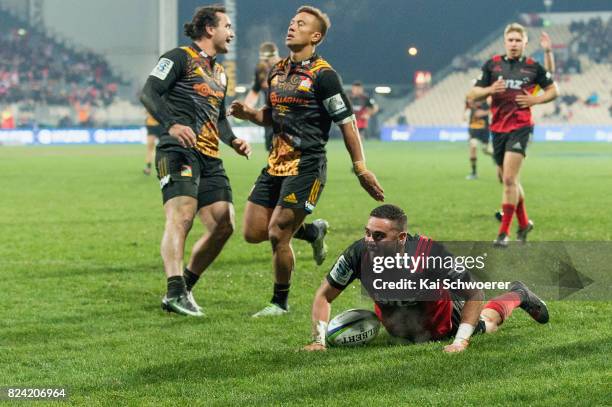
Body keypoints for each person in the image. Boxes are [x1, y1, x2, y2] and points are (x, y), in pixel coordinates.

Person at [229, 5, 384, 317]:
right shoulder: (276, 71)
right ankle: (312, 232)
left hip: (307, 165)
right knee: (251, 232)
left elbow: (347, 123)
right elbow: (271, 117)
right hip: (275, 163)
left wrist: (361, 168)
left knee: (277, 233)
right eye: (291, 22)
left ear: (315, 36)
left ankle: (279, 303)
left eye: (300, 24)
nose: (292, 27)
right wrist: (250, 115)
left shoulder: (324, 76)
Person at [303, 204, 549, 352]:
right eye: (367, 233)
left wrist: (461, 341)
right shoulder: (358, 254)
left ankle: (518, 293)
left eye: (378, 236)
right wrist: (318, 341)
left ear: (401, 238)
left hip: (443, 322)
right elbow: (324, 295)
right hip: (404, 329)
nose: (369, 240)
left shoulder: (429, 253)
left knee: (488, 323)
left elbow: (474, 293)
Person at [140, 4, 251, 316]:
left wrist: (233, 140)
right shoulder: (178, 57)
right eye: (227, 26)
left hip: (209, 156)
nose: (232, 32)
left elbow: (219, 117)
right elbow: (149, 92)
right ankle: (174, 291)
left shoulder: (219, 72)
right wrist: (173, 124)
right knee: (182, 217)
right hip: (177, 150)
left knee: (224, 223)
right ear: (209, 29)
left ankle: (184, 288)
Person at [467, 23, 558, 247]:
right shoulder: (492, 65)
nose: (514, 44)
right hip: (497, 129)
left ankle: (503, 233)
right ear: (505, 42)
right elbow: (473, 93)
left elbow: (553, 88)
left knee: (509, 179)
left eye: (518, 40)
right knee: (508, 180)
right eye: (511, 40)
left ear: (525, 43)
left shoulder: (532, 67)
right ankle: (524, 222)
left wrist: (535, 100)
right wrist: (490, 90)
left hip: (520, 127)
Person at [243, 42, 282, 152]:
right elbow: (255, 91)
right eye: (263, 60)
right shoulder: (261, 70)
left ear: (275, 56)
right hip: (269, 117)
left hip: (286, 117)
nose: (265, 63)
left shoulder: (287, 68)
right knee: (271, 152)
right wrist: (245, 108)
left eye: (267, 60)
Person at [464, 97, 492, 180]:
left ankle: (497, 157)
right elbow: (466, 119)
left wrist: (485, 112)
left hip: (484, 131)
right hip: (474, 132)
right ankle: (474, 172)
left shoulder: (486, 105)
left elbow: (491, 110)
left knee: (486, 150)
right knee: (473, 146)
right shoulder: (469, 109)